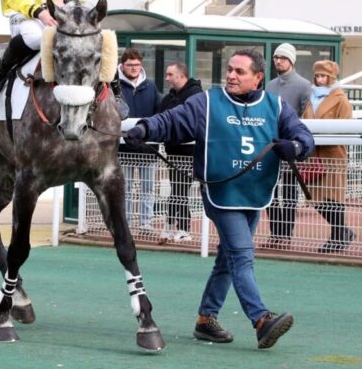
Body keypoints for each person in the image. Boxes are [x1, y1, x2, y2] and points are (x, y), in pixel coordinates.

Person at [125, 48, 314, 349]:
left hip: (254, 195)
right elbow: (172, 121)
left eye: (240, 72)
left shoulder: (276, 106)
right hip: (220, 194)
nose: (231, 75)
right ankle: (261, 320)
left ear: (258, 78)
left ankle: (206, 320)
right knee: (242, 255)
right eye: (230, 69)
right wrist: (145, 128)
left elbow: (303, 136)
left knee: (228, 260)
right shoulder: (207, 102)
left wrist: (297, 146)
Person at [301, 60, 354, 254]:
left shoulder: (340, 99)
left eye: (324, 76)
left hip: (332, 155)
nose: (320, 79)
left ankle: (337, 236)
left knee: (333, 197)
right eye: (317, 76)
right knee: (315, 197)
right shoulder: (310, 97)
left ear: (331, 77)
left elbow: (346, 126)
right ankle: (343, 232)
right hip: (314, 155)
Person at [263, 43, 311, 249]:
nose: (278, 61)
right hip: (270, 145)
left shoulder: (304, 85)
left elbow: (306, 115)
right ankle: (275, 232)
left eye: (282, 57)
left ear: (291, 60)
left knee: (290, 191)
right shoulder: (270, 85)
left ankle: (286, 233)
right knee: (270, 189)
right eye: (276, 57)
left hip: (290, 145)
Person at [157, 62, 203, 242]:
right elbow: (160, 117)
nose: (167, 78)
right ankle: (172, 227)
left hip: (189, 152)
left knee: (180, 189)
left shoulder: (195, 95)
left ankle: (182, 228)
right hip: (172, 151)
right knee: (177, 189)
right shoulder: (169, 98)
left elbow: (193, 121)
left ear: (181, 76)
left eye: (170, 74)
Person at [118, 48, 162, 231]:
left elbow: (159, 111)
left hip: (147, 147)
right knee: (125, 188)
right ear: (122, 65)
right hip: (123, 146)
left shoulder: (151, 86)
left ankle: (146, 222)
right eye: (130, 65)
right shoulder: (115, 85)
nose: (134, 68)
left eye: (137, 65)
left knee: (148, 188)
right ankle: (126, 222)